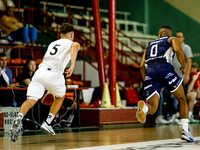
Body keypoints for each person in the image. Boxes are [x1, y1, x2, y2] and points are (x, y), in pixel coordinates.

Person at [9, 22, 80, 142]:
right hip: (55, 74)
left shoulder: (52, 44)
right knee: (60, 96)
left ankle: (18, 117)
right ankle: (48, 122)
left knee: (31, 99)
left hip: (40, 72)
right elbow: (74, 47)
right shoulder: (73, 43)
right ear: (72, 35)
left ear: (59, 34)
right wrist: (72, 65)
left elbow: (44, 59)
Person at [136, 26, 195, 142]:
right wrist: (183, 66)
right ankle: (185, 131)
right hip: (164, 68)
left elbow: (142, 66)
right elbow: (178, 50)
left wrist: (147, 81)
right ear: (169, 33)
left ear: (159, 34)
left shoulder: (149, 45)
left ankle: (145, 108)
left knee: (153, 106)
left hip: (150, 73)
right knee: (182, 99)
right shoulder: (172, 39)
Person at [168, 31, 193, 124]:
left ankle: (182, 117)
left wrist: (187, 75)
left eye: (180, 37)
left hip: (182, 76)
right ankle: (174, 113)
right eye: (177, 36)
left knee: (182, 97)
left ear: (183, 38)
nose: (178, 38)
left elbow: (189, 62)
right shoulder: (172, 47)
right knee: (168, 95)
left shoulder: (186, 48)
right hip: (171, 76)